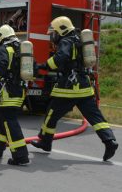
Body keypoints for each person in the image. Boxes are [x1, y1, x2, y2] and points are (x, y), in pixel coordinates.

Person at [31, 16, 118, 161]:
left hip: (68, 88)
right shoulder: (78, 40)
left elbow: (61, 58)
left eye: (54, 33)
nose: (53, 37)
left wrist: (43, 66)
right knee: (96, 117)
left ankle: (45, 142)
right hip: (84, 86)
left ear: (61, 30)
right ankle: (110, 141)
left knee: (51, 114)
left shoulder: (66, 41)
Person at [0, 24, 29, 165]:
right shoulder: (21, 48)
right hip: (19, 91)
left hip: (7, 93)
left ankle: (21, 157)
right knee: (4, 120)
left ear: (1, 37)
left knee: (10, 123)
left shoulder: (4, 49)